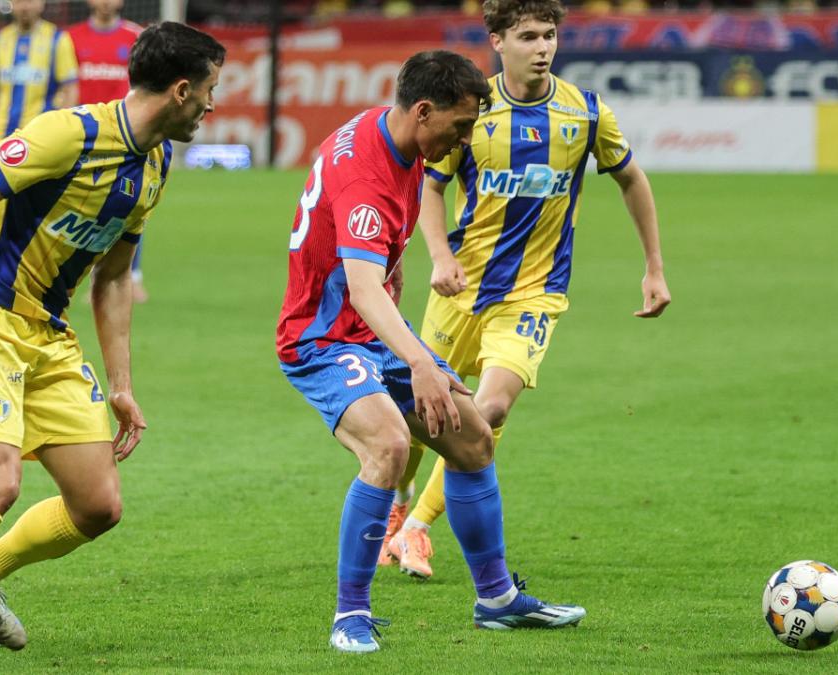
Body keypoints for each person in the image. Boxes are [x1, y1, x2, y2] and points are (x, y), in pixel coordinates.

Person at [0, 22, 224, 675]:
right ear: (182, 90)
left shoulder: (155, 165)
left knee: (98, 505)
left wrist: (121, 384)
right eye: (209, 90)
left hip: (48, 334)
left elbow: (114, 278)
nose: (212, 104)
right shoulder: (68, 135)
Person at [275, 49, 585, 655]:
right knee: (389, 446)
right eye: (461, 125)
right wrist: (420, 362)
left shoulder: (396, 137)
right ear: (423, 110)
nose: (465, 139)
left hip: (370, 333)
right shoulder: (367, 181)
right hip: (321, 339)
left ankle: (497, 601)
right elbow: (363, 288)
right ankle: (350, 615)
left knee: (472, 438)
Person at [380, 0, 671, 580]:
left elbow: (631, 179)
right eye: (529, 36)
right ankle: (398, 504)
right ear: (497, 41)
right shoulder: (471, 110)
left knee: (489, 409)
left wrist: (654, 267)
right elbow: (431, 187)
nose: (543, 48)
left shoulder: (586, 113)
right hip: (461, 288)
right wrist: (439, 256)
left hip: (535, 293)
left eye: (550, 35)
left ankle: (417, 529)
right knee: (420, 414)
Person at [67, 0, 149, 302]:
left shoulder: (136, 37)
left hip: (124, 135)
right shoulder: (70, 39)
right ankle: (79, 278)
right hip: (82, 135)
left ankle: (132, 276)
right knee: (79, 207)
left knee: (131, 204)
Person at [0, 0, 78, 163]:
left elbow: (70, 89)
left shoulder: (58, 39)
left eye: (30, 1)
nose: (25, 7)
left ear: (41, 4)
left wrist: (63, 134)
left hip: (41, 136)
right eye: (19, 2)